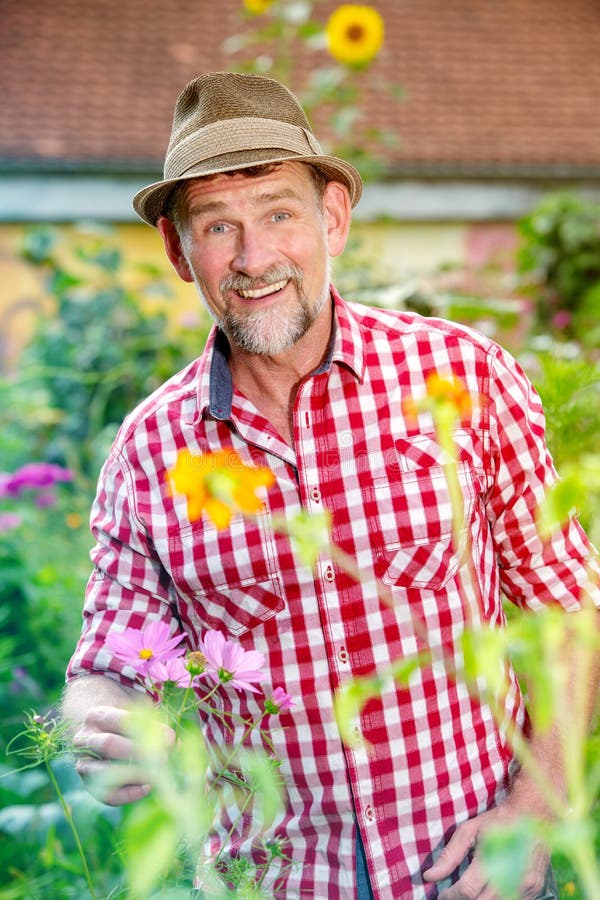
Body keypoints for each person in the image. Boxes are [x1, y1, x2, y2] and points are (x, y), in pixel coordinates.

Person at [61, 71, 599, 900]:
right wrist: (104, 727)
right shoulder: (149, 452)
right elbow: (105, 666)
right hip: (272, 880)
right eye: (217, 226)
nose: (254, 258)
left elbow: (566, 609)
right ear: (178, 252)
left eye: (279, 212)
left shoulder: (464, 377)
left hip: (469, 871)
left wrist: (539, 801)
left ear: (333, 218)